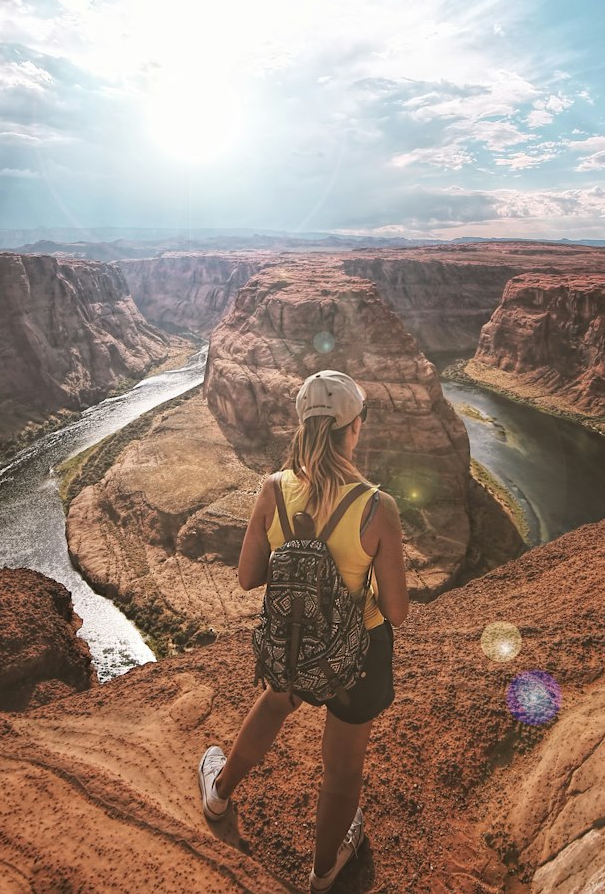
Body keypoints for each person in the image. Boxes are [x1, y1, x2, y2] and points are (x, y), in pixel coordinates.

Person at [197, 369, 409, 892]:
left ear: (302, 426)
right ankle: (322, 873)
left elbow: (248, 577)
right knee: (341, 771)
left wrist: (301, 573)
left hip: (294, 637)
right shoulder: (377, 507)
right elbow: (399, 612)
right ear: (353, 429)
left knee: (276, 700)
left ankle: (219, 793)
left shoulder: (273, 489)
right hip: (357, 655)